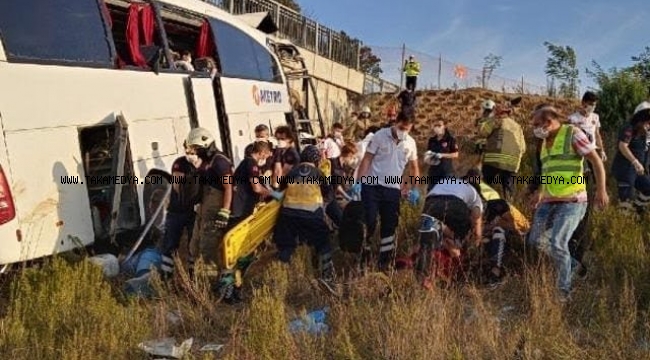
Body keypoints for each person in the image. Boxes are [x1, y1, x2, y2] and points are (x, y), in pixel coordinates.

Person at [527, 104, 609, 302]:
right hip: (548, 200)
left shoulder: (572, 133)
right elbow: (548, 171)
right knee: (534, 240)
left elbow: (596, 160)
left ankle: (563, 292)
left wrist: (601, 190)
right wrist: (540, 192)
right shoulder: (544, 142)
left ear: (549, 121)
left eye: (538, 124)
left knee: (557, 243)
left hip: (572, 200)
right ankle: (573, 265)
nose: (535, 128)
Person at [352, 111, 421, 271]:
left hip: (392, 190)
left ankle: (384, 261)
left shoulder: (410, 143)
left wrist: (414, 188)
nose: (403, 131)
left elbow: (414, 168)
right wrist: (359, 182)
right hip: (372, 187)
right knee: (369, 222)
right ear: (395, 123)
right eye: (401, 127)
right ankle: (364, 256)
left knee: (390, 225)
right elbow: (367, 158)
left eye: (407, 129)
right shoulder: (379, 136)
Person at [273, 145, 336, 290]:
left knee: (286, 247)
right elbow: (329, 195)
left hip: (288, 216)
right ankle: (327, 276)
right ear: (317, 160)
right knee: (323, 242)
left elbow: (279, 192)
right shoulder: (318, 173)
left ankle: (279, 280)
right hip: (311, 215)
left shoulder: (291, 172)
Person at [414, 177, 484, 289]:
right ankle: (458, 276)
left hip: (431, 204)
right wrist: (476, 241)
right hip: (456, 206)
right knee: (457, 247)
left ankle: (424, 279)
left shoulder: (446, 181)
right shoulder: (475, 193)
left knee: (427, 245)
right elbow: (476, 218)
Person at [188, 127, 234, 276]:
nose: (195, 151)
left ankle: (210, 282)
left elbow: (228, 186)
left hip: (215, 208)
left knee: (208, 247)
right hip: (204, 207)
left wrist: (225, 211)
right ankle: (193, 277)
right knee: (195, 244)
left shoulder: (220, 162)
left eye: (196, 148)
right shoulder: (207, 162)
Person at [158, 142, 203, 280]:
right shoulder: (180, 163)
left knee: (193, 245)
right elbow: (176, 185)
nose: (189, 154)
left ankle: (193, 277)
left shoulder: (205, 165)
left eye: (192, 151)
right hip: (177, 210)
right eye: (187, 151)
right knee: (170, 243)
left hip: (194, 212)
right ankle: (166, 277)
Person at [479, 101, 526, 201]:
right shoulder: (517, 126)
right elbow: (523, 148)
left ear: (497, 112)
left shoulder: (496, 121)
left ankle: (485, 208)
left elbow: (483, 132)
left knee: (486, 187)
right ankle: (511, 211)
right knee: (509, 191)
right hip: (511, 163)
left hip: (493, 161)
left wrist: (491, 119)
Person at [227, 141, 277, 230]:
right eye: (266, 155)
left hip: (238, 205)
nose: (266, 158)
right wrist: (272, 193)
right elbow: (256, 187)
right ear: (261, 153)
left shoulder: (246, 162)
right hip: (242, 207)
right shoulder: (252, 164)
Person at [611, 103, 650, 214]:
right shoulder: (629, 128)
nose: (648, 125)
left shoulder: (644, 132)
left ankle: (637, 210)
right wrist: (635, 162)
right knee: (626, 201)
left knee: (648, 188)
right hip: (625, 169)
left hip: (638, 171)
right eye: (647, 122)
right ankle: (622, 223)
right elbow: (622, 145)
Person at [423, 118, 459, 191]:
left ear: (444, 126)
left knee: (447, 193)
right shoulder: (432, 140)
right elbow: (428, 153)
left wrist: (442, 155)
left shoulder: (450, 139)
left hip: (446, 171)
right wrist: (427, 158)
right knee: (432, 192)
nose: (437, 127)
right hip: (434, 171)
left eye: (439, 125)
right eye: (435, 125)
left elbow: (455, 154)